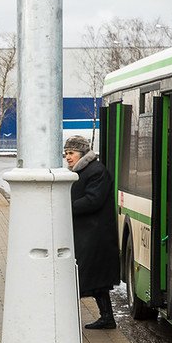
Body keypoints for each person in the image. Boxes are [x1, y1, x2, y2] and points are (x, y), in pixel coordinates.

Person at [64, 134, 119, 330]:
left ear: (82, 153)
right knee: (97, 280)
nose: (68, 157)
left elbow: (93, 200)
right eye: (66, 153)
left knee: (81, 277)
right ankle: (107, 318)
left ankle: (66, 319)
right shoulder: (83, 170)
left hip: (95, 235)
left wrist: (65, 206)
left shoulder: (96, 171)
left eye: (71, 153)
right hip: (90, 233)